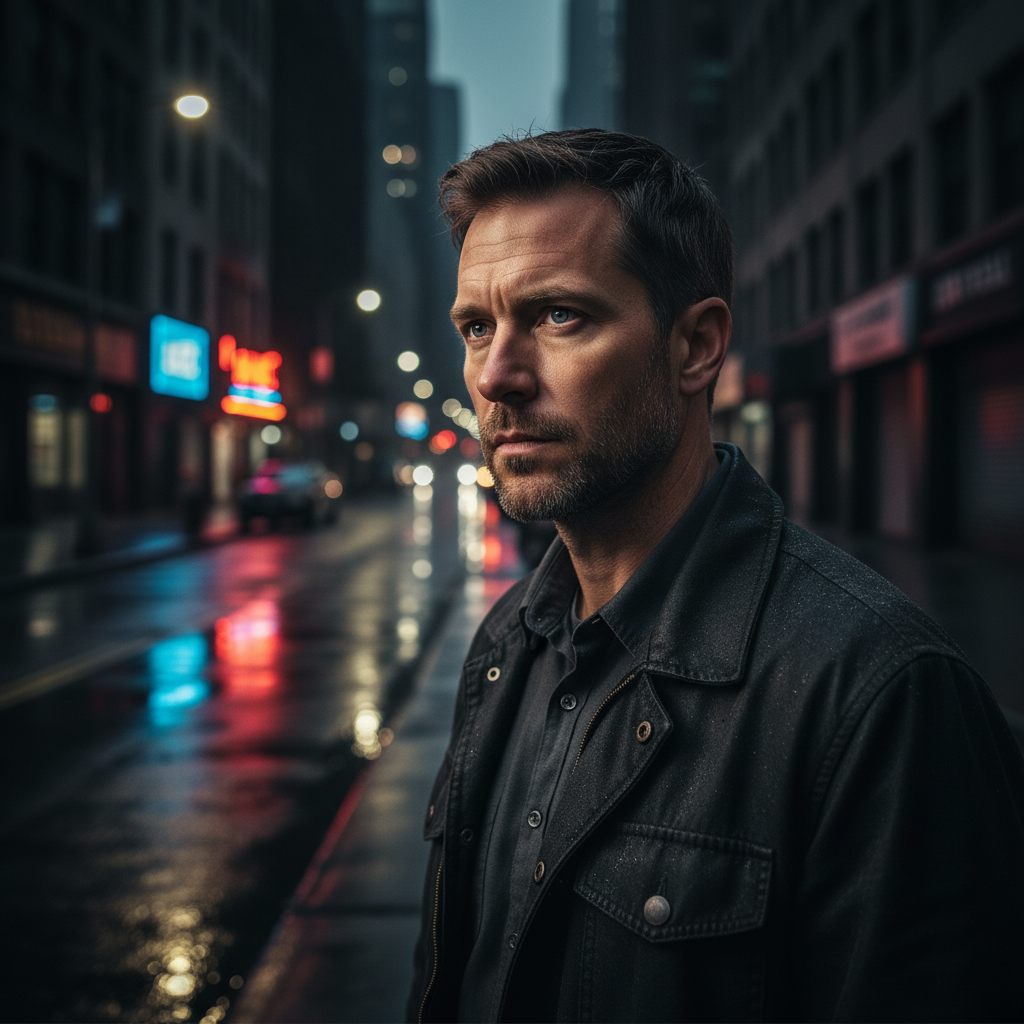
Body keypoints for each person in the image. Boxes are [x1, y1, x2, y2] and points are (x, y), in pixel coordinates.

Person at [407, 129, 1024, 1023]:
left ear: (696, 346)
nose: (497, 376)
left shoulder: (881, 694)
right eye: (476, 327)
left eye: (558, 316)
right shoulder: (508, 642)